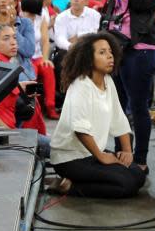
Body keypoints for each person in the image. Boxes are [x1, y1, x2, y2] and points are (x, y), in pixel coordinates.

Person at [93, 0, 155, 173]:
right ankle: (121, 154)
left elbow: (143, 2)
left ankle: (140, 159)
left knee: (138, 106)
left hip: (140, 49)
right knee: (117, 105)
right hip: (116, 47)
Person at [49, 32, 146, 198]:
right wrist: (102, 157)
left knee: (138, 175)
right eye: (102, 52)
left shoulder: (107, 81)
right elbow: (80, 129)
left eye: (110, 51)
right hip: (69, 158)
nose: (109, 56)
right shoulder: (81, 85)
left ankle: (77, 181)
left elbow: (119, 119)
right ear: (89, 58)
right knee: (126, 185)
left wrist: (128, 151)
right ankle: (68, 187)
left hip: (91, 153)